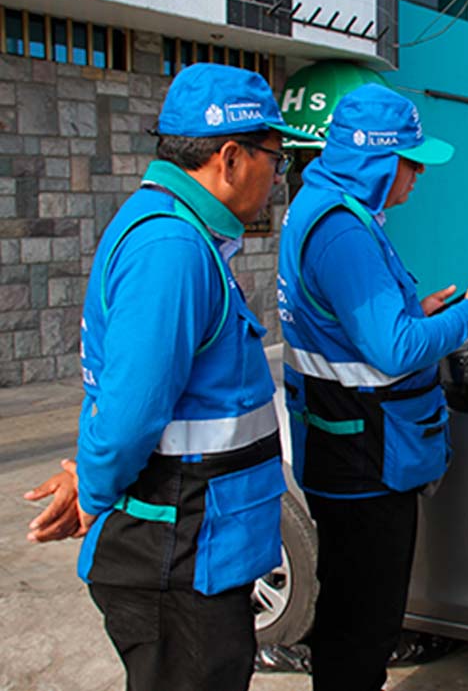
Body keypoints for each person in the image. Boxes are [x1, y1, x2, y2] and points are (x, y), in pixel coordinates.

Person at [23, 63, 320, 690]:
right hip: (179, 557)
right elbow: (132, 415)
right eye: (277, 157)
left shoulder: (186, 238)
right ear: (231, 158)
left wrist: (88, 472)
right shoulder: (173, 250)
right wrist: (94, 492)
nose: (281, 175)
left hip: (199, 547)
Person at [277, 82, 468, 691]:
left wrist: (422, 312)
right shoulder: (344, 233)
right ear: (378, 160)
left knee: (351, 611)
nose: (417, 177)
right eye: (411, 162)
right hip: (364, 460)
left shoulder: (322, 207)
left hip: (343, 445)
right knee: (364, 624)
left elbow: (359, 328)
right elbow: (393, 350)